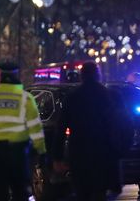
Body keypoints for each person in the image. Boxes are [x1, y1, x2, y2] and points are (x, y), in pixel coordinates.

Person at [53, 62, 129, 201]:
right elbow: (125, 124)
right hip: (105, 154)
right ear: (98, 75)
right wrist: (122, 149)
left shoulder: (72, 97)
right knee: (100, 192)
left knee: (83, 193)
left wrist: (58, 157)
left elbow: (61, 127)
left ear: (82, 76)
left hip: (80, 154)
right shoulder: (112, 96)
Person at [0, 62, 46, 201]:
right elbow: (36, 128)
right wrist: (40, 151)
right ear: (16, 76)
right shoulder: (26, 98)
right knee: (20, 193)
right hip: (19, 155)